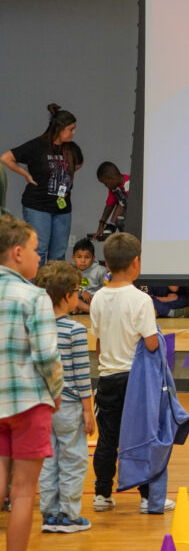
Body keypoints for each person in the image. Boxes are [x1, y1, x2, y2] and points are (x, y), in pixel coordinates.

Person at [89, 232, 172, 513]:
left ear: (107, 263)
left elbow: (98, 343)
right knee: (142, 436)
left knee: (107, 439)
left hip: (108, 377)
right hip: (136, 381)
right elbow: (150, 343)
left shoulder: (98, 298)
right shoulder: (141, 300)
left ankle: (101, 493)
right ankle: (147, 497)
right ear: (136, 262)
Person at [0, 215, 63, 551]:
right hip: (28, 402)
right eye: (37, 251)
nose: (41, 257)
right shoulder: (33, 296)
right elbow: (46, 356)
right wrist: (56, 392)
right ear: (19, 252)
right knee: (23, 491)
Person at [34, 261, 94, 534]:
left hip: (42, 405)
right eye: (78, 293)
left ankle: (50, 515)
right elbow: (82, 376)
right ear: (69, 296)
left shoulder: (35, 327)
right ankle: (69, 515)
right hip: (69, 405)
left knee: (48, 459)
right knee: (74, 458)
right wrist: (88, 410)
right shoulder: (76, 330)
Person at [0, 104, 83, 263]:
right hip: (37, 205)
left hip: (62, 206)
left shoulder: (71, 149)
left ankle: (54, 287)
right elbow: (6, 158)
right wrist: (25, 174)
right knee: (39, 250)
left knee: (58, 253)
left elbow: (78, 163)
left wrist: (64, 178)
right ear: (59, 128)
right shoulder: (37, 146)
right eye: (71, 129)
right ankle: (35, 287)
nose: (74, 132)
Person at [90, 162, 129, 240]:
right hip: (124, 217)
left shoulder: (130, 183)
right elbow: (110, 205)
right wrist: (101, 223)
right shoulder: (113, 188)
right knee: (120, 203)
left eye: (105, 183)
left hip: (135, 216)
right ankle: (111, 226)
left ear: (112, 179)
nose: (105, 186)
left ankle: (113, 226)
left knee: (122, 204)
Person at [71, 238, 107, 313]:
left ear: (93, 258)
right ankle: (92, 311)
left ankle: (93, 310)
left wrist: (97, 298)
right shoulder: (71, 271)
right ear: (73, 258)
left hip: (95, 301)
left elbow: (107, 288)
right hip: (79, 301)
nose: (83, 261)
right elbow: (70, 288)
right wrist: (82, 292)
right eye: (79, 257)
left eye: (87, 257)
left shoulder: (101, 271)